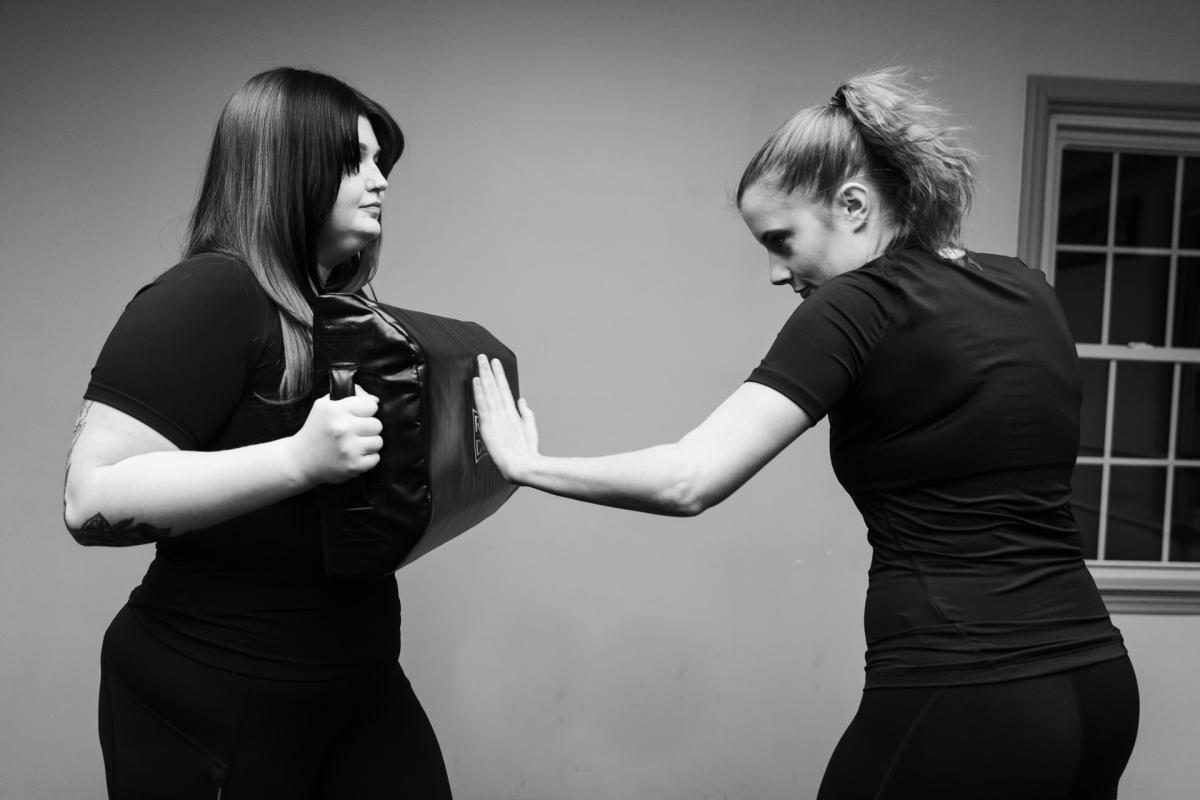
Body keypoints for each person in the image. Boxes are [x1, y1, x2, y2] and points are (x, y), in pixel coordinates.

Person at [473, 66, 1139, 799]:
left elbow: (691, 478)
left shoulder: (857, 302)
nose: (773, 271)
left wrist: (528, 463)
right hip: (1098, 683)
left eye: (782, 240)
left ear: (853, 205)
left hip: (967, 686)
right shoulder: (1027, 287)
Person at [63, 68, 453, 799]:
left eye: (380, 162)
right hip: (215, 693)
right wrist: (299, 459)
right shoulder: (208, 292)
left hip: (356, 680)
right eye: (354, 161)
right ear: (288, 168)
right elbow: (90, 499)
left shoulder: (331, 309)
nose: (381, 182)